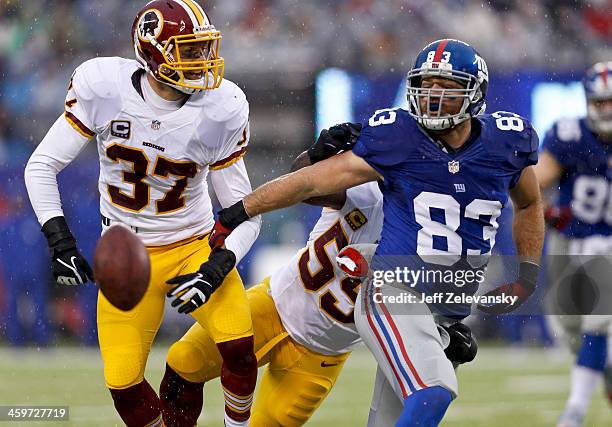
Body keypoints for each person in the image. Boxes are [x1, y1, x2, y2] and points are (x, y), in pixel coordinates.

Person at [208, 39, 545, 426]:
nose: (434, 98)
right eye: (427, 86)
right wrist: (238, 210)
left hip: (442, 310)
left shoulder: (507, 142)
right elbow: (310, 182)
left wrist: (528, 271)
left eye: (447, 88)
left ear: (475, 94)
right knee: (434, 392)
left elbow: (530, 203)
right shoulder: (398, 137)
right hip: (394, 292)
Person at [24, 1, 261, 426]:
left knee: (241, 350)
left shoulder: (221, 108)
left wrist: (216, 265)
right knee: (123, 384)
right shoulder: (103, 86)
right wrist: (60, 241)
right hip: (127, 255)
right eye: (190, 50)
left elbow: (245, 211)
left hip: (194, 245)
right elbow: (41, 166)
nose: (204, 61)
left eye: (204, 48)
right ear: (154, 54)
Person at [160, 127, 477, 426]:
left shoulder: (440, 248)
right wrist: (318, 151)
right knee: (183, 362)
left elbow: (423, 316)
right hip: (273, 305)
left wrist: (446, 334)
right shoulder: (369, 193)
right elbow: (304, 182)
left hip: (320, 358)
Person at [534, 61, 612, 427]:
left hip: (608, 244)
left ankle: (574, 412)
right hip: (568, 241)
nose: (606, 110)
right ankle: (605, 366)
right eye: (600, 103)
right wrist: (545, 208)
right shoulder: (569, 134)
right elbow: (534, 184)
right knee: (567, 329)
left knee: (599, 320)